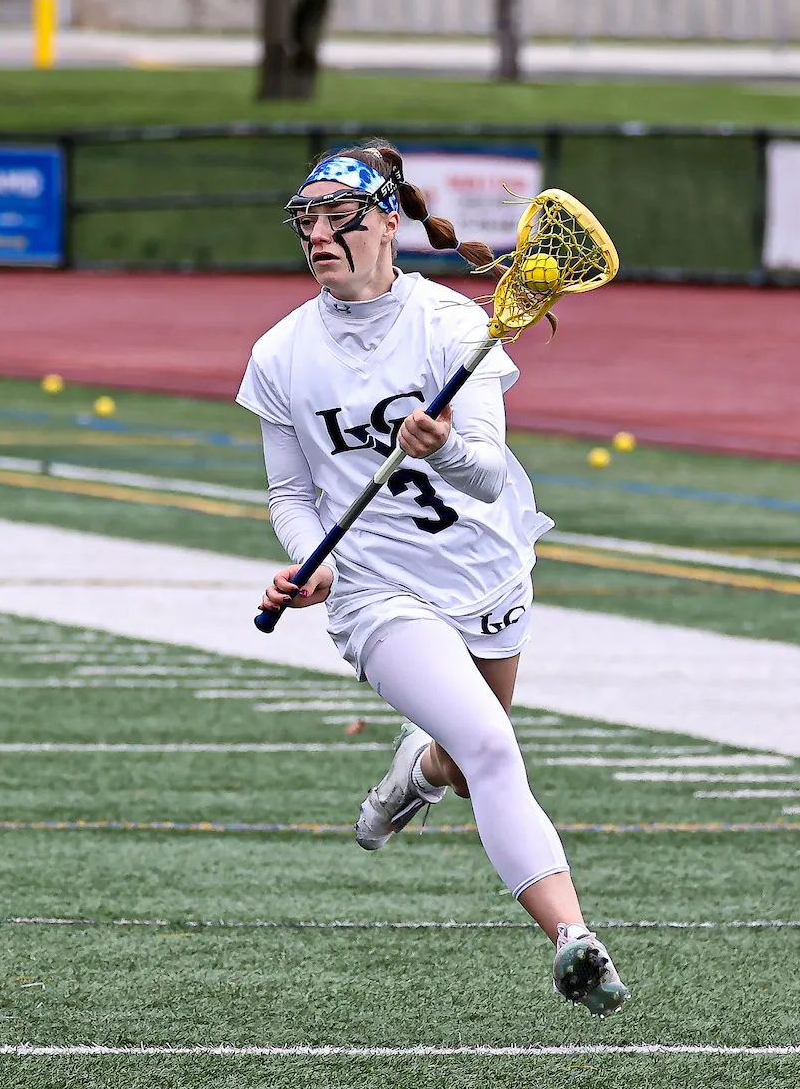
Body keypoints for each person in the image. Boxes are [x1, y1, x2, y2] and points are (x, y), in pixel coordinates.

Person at [236, 140, 630, 1017]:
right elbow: (291, 493)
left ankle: (414, 773)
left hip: (489, 570)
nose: (318, 238)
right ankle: (575, 940)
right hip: (381, 592)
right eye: (306, 223)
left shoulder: (457, 324)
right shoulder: (281, 352)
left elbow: (490, 475)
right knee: (493, 748)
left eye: (337, 221)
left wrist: (444, 446)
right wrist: (317, 566)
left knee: (460, 755)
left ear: (385, 223)